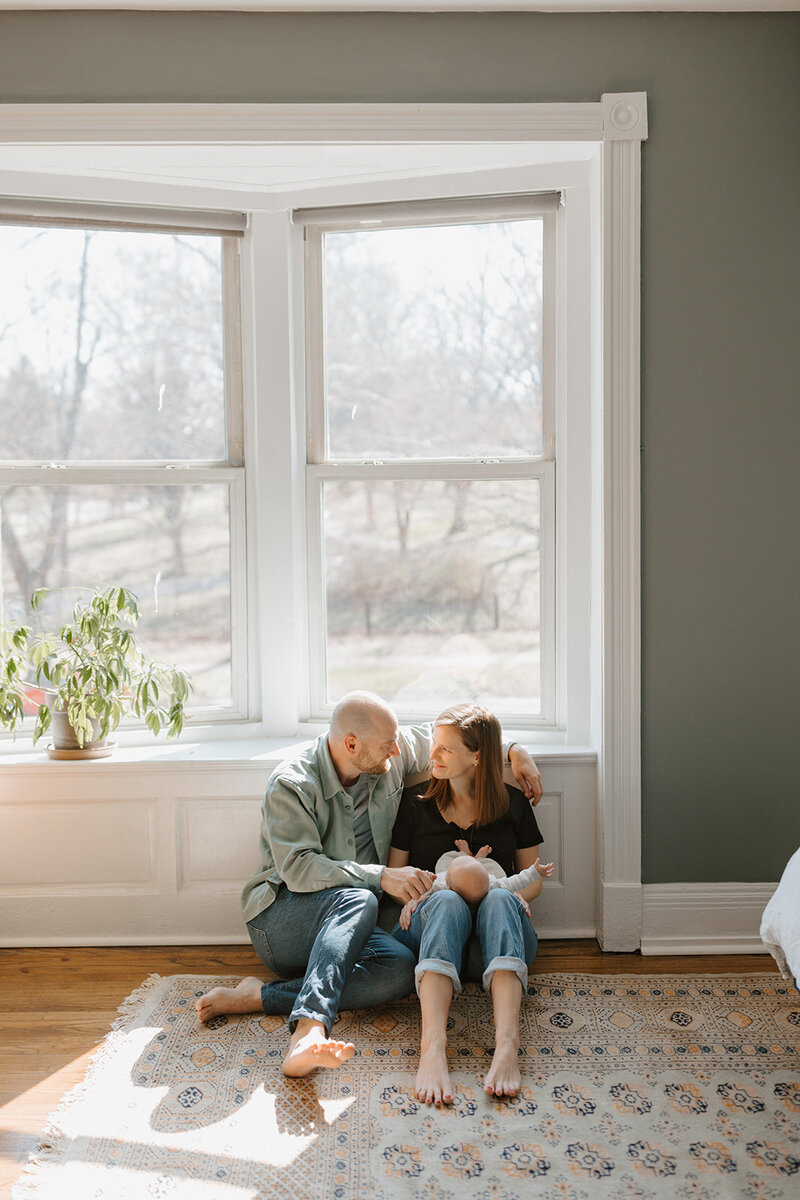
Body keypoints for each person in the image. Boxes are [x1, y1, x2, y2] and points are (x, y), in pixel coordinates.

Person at [196, 690, 542, 1079]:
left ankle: (259, 997)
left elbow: (454, 735)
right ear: (351, 744)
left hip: (352, 923)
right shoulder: (291, 784)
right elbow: (299, 870)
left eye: (397, 741)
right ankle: (308, 1032)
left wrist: (514, 749)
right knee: (359, 898)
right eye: (387, 745)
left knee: (399, 968)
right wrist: (381, 877)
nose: (399, 752)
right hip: (283, 919)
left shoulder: (384, 757)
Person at [389, 703, 545, 1104]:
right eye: (434, 746)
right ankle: (433, 1048)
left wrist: (506, 894)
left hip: (498, 945)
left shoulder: (512, 805)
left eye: (445, 749)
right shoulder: (414, 803)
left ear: (477, 756)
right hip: (434, 939)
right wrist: (427, 892)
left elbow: (534, 881)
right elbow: (394, 878)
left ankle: (507, 1046)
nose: (433, 756)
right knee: (446, 902)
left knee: (497, 897)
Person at [398, 841, 554, 929]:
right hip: (474, 872)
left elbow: (426, 889)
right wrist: (534, 872)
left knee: (448, 864)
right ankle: (478, 857)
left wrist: (415, 899)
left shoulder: (444, 881)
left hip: (457, 873)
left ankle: (466, 853)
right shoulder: (490, 884)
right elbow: (515, 881)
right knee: (477, 866)